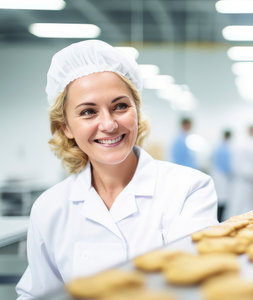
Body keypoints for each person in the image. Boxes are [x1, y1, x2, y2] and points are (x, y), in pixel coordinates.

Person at [16, 40, 218, 299]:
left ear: (137, 110)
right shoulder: (49, 208)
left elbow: (192, 286)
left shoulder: (189, 190)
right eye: (88, 112)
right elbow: (37, 294)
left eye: (120, 106)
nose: (109, 124)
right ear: (65, 126)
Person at [225, 125, 253, 219]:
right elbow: (240, 165)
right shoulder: (243, 144)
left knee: (245, 205)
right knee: (238, 205)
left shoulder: (248, 143)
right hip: (241, 182)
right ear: (252, 130)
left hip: (246, 181)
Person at [210, 130, 233, 222]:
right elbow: (226, 166)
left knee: (220, 199)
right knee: (222, 200)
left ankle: (218, 220)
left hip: (217, 176)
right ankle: (219, 220)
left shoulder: (217, 147)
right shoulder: (225, 148)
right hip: (222, 177)